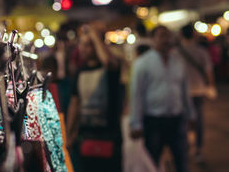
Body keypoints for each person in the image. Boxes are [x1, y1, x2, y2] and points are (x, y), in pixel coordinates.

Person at [129, 25, 195, 172]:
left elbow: (185, 91)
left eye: (168, 36)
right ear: (153, 39)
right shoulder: (143, 63)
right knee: (152, 162)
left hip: (176, 120)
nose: (166, 40)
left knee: (181, 161)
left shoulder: (179, 61)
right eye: (161, 36)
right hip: (153, 121)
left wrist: (191, 115)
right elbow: (136, 94)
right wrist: (136, 124)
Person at [67, 23, 122, 172]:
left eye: (88, 45)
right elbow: (75, 103)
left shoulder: (111, 68)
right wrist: (69, 134)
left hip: (109, 136)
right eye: (82, 45)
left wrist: (94, 34)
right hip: (86, 136)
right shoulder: (80, 71)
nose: (83, 49)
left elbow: (107, 61)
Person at [179, 24, 216, 162]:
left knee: (184, 120)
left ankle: (186, 145)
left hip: (182, 92)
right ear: (193, 34)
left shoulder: (176, 52)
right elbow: (208, 70)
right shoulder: (201, 51)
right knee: (198, 120)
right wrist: (211, 86)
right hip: (199, 90)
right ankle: (198, 150)